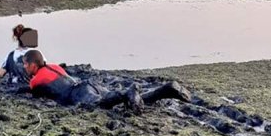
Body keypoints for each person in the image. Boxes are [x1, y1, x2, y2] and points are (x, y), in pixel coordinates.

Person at [22, 50, 191, 113]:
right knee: (118, 100)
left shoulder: (36, 80)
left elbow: (34, 92)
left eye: (25, 64)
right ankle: (165, 90)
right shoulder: (53, 66)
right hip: (88, 85)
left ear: (32, 64)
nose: (24, 67)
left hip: (78, 94)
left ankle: (127, 92)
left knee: (101, 104)